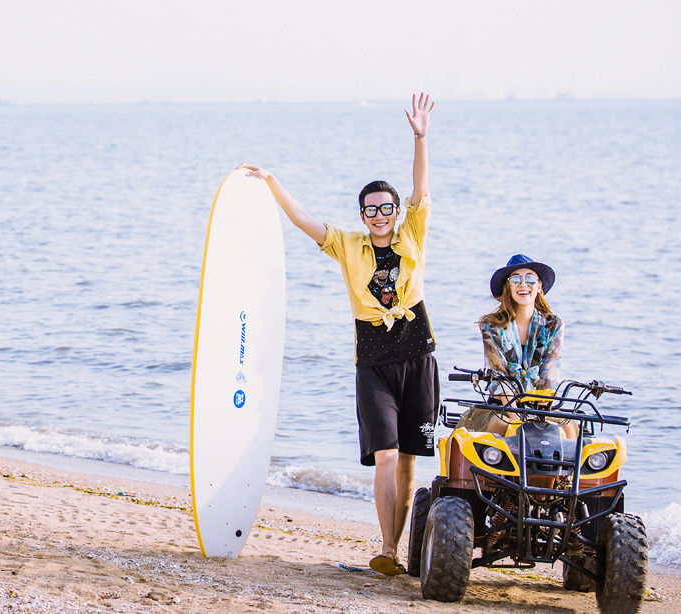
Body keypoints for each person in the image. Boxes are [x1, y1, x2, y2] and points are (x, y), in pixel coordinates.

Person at [240, 93, 438, 577]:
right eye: (370, 210)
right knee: (386, 454)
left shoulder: (413, 231)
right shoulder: (347, 245)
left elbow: (420, 186)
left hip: (418, 354)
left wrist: (419, 136)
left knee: (409, 462)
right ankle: (387, 550)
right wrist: (271, 181)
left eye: (386, 207)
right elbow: (303, 220)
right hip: (372, 360)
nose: (379, 215)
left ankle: (400, 551)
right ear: (362, 215)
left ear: (396, 210)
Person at [458, 253, 568, 436]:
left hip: (541, 406)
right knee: (503, 425)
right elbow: (498, 373)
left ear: (539, 286)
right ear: (508, 287)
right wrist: (517, 419)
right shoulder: (491, 325)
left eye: (530, 279)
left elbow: (549, 373)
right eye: (515, 280)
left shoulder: (554, 324)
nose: (523, 285)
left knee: (567, 428)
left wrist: (539, 417)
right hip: (503, 406)